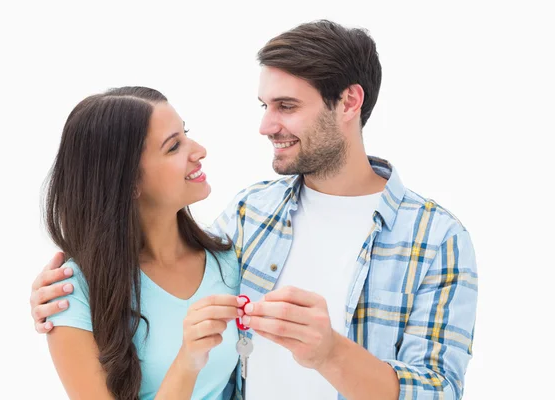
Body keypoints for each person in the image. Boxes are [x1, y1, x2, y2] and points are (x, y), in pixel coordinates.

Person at [31, 20, 478, 400]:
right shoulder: (250, 213)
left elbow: (438, 390)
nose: (266, 126)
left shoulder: (435, 238)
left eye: (286, 106)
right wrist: (66, 292)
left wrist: (331, 353)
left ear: (349, 102)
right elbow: (155, 268)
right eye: (265, 106)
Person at [38, 86, 246, 400]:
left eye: (186, 134)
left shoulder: (230, 258)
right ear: (129, 180)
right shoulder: (69, 296)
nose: (199, 150)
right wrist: (187, 362)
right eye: (174, 146)